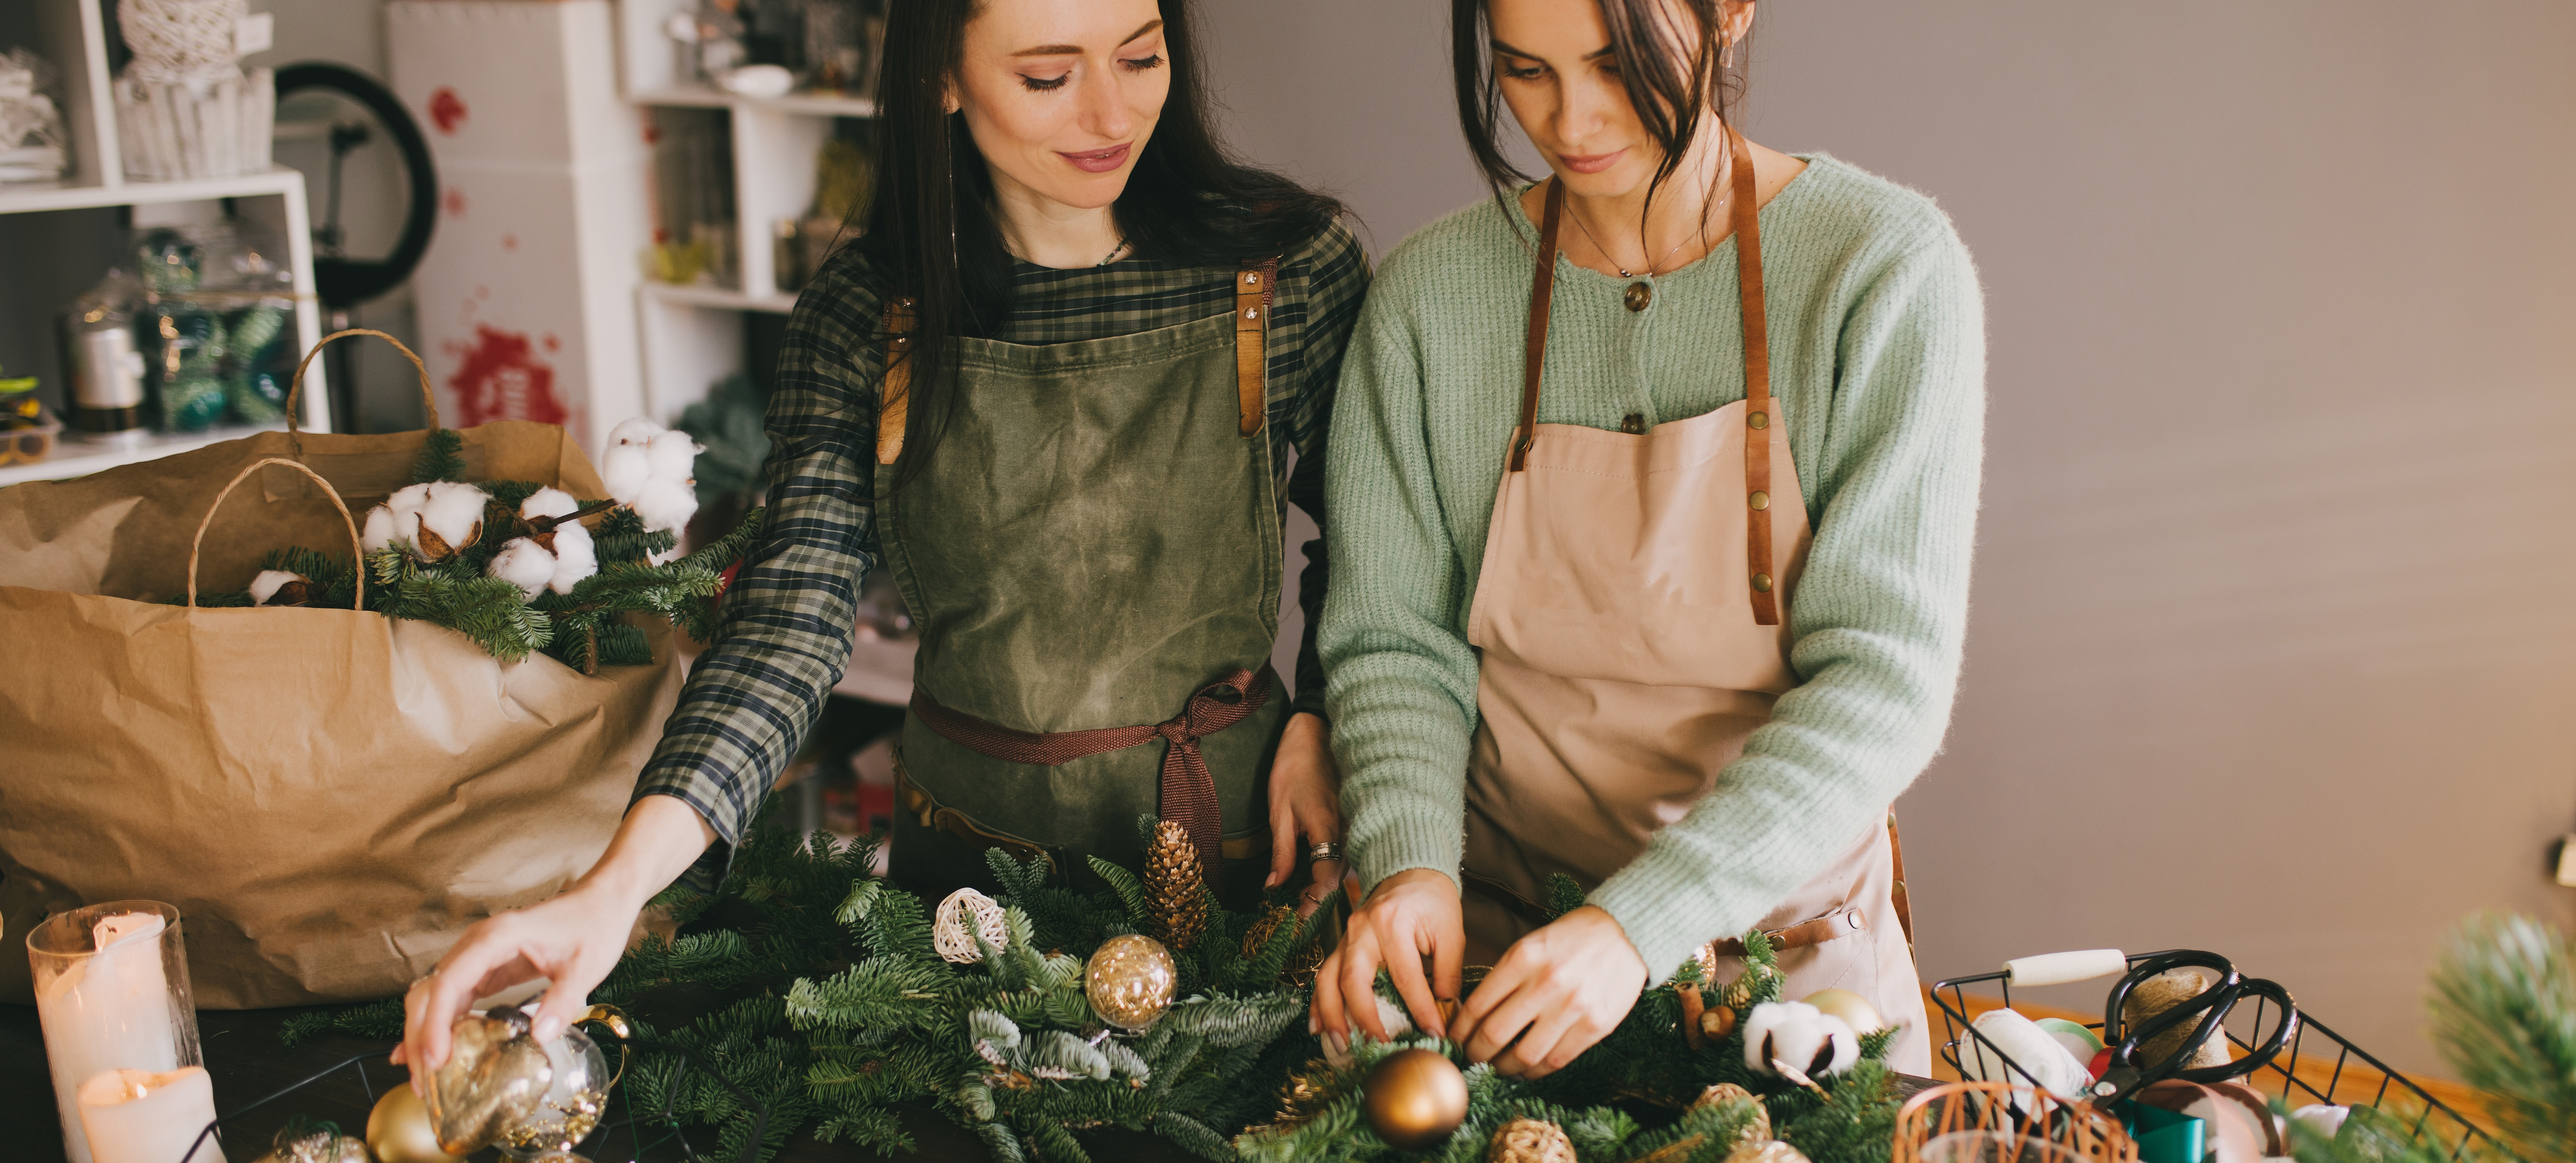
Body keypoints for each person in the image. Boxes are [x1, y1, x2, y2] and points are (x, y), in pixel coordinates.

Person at [397, 0, 1365, 1074]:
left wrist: (1323, 715)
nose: (1112, 113)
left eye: (1141, 57)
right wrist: (612, 890)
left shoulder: (1287, 270)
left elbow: (1378, 554)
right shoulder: (870, 312)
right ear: (943, 76)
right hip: (966, 892)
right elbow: (787, 628)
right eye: (1048, 78)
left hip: (1234, 857)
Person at [1311, 0, 1982, 1079]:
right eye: (1526, 71)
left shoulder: (1883, 267)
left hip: (1797, 982)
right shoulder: (1431, 296)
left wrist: (1637, 924)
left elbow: (1883, 678)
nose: (1571, 122)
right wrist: (1410, 865)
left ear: (1729, 14)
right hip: (1499, 969)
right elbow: (1396, 640)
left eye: (1619, 65)